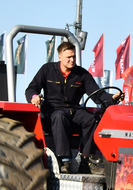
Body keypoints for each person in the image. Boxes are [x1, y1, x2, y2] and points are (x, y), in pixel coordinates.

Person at [26, 42, 123, 173]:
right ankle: (65, 161)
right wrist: (34, 97)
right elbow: (31, 89)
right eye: (69, 57)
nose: (72, 60)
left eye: (74, 57)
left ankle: (86, 159)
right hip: (52, 111)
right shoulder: (47, 69)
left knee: (92, 119)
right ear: (59, 57)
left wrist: (112, 98)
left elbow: (97, 95)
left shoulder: (82, 74)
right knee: (59, 116)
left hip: (73, 110)